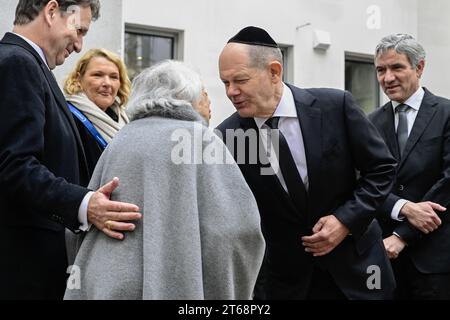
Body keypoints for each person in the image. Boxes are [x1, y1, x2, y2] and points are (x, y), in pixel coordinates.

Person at [216, 26, 397, 300]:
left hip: (359, 272)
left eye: (240, 80)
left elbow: (381, 170)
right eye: (225, 83)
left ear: (274, 72)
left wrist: (345, 220)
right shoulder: (226, 137)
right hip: (288, 284)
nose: (231, 92)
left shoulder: (336, 105)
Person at [64, 60, 265, 300]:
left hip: (109, 284)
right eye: (203, 93)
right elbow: (236, 230)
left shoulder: (121, 139)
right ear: (185, 96)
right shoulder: (198, 139)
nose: (208, 100)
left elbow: (80, 227)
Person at [0, 0, 141, 300]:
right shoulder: (17, 63)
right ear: (51, 12)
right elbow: (14, 165)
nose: (79, 46)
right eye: (79, 31)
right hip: (23, 274)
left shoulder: (30, 65)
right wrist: (85, 204)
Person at [368, 34, 450, 299]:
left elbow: (447, 182)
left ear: (419, 67)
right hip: (383, 257)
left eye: (397, 67)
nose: (387, 78)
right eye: (381, 70)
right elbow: (362, 180)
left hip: (434, 260)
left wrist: (402, 236)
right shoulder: (368, 123)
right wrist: (400, 207)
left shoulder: (446, 113)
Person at [64, 48, 131, 178]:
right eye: (98, 75)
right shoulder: (67, 117)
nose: (107, 83)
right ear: (78, 79)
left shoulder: (127, 119)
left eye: (113, 77)